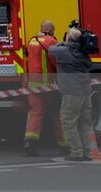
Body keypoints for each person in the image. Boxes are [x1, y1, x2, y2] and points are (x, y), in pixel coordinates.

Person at [49, 27, 93, 161]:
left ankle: (76, 153)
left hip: (71, 93)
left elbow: (51, 50)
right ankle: (87, 153)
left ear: (68, 38)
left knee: (69, 122)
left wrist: (64, 42)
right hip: (85, 92)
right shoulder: (83, 53)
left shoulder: (63, 51)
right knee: (85, 124)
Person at [23, 21, 66, 156]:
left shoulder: (32, 41)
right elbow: (55, 61)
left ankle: (30, 141)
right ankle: (64, 145)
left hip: (32, 84)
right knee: (57, 113)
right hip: (48, 85)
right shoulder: (51, 41)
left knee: (35, 112)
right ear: (50, 30)